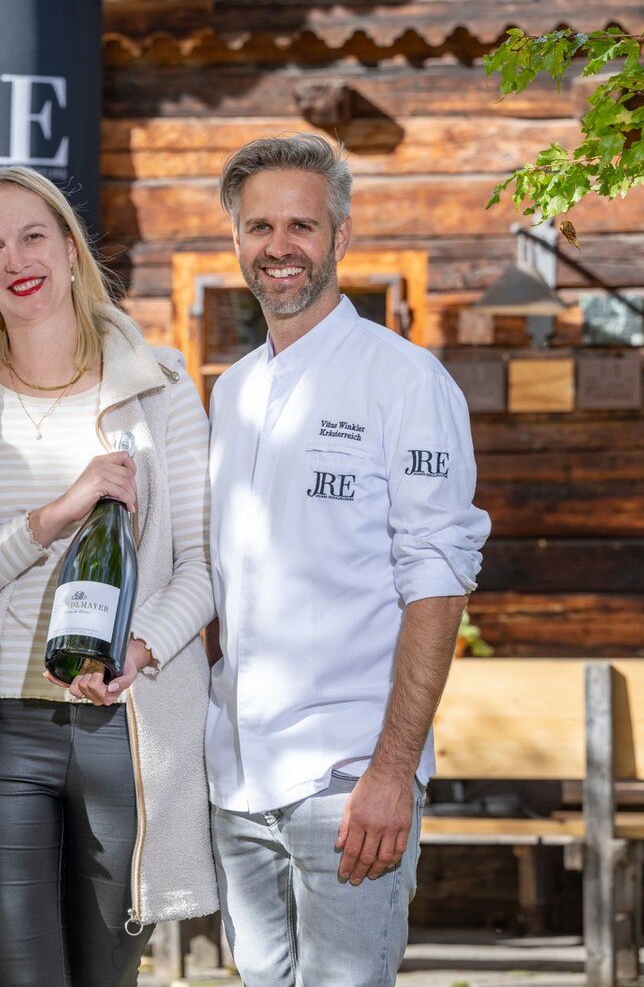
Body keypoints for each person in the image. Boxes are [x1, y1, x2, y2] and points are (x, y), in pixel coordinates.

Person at [0, 166, 219, 986]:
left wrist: (140, 649)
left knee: (106, 976)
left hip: (128, 727)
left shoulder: (163, 388)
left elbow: (199, 565)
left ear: (72, 251)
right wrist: (57, 512)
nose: (16, 260)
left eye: (33, 236)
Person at [205, 133, 491, 986]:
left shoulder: (406, 380)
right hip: (239, 782)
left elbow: (438, 579)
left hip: (346, 780)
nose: (279, 247)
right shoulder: (232, 390)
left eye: (301, 225)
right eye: (260, 227)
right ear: (238, 239)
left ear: (340, 236)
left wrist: (392, 771)